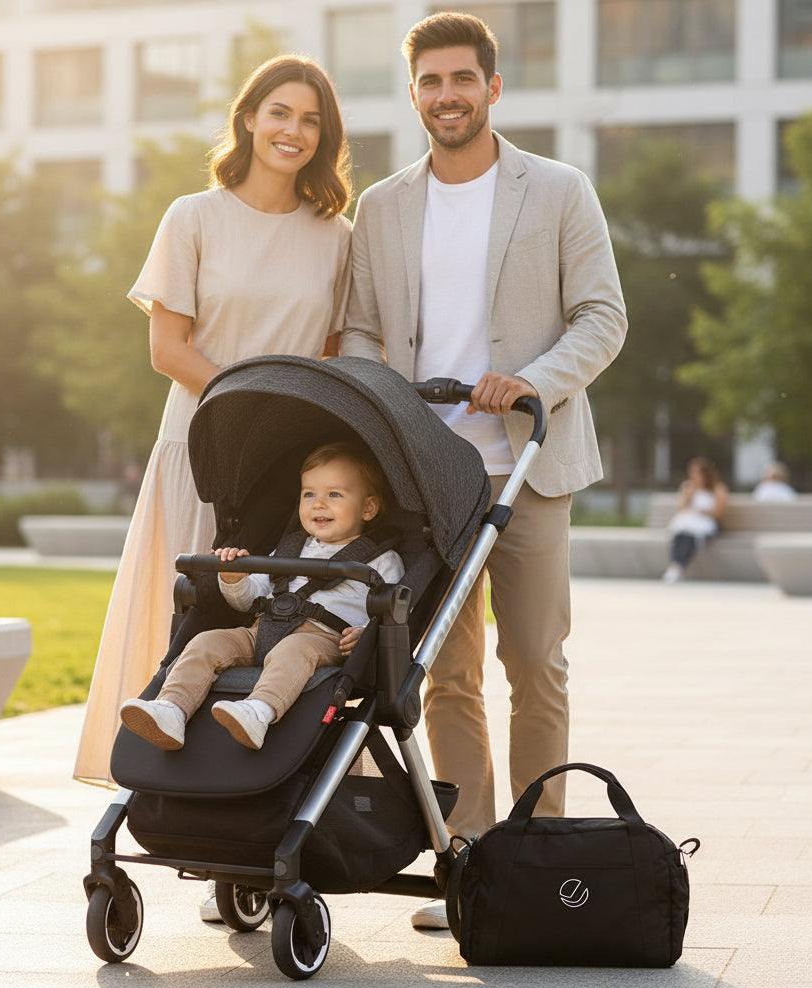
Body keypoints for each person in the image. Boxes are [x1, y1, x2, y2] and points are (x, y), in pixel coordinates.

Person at [340, 12, 627, 928]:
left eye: (462, 80)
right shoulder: (380, 207)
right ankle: (466, 862)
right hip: (432, 480)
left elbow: (602, 317)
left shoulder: (559, 190)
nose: (446, 96)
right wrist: (379, 406)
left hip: (529, 468)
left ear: (493, 88)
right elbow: (354, 330)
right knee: (447, 674)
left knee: (535, 663)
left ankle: (539, 860)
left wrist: (531, 383)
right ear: (414, 91)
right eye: (430, 82)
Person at [74, 55, 353, 917]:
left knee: (283, 634)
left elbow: (341, 351)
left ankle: (257, 825)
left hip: (296, 469)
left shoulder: (337, 236)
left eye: (309, 119)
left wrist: (296, 430)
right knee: (198, 623)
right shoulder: (193, 216)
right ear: (248, 119)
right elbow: (169, 348)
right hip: (204, 445)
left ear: (323, 137)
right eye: (278, 112)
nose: (292, 131)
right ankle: (186, 814)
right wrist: (247, 405)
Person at [119, 442, 403, 751]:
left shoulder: (381, 560)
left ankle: (259, 711)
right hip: (261, 631)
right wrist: (233, 578)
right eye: (309, 494)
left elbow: (391, 612)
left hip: (324, 639)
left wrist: (366, 636)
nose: (318, 503)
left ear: (368, 508)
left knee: (292, 651)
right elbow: (247, 600)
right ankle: (171, 709)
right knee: (206, 642)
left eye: (334, 494)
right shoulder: (288, 550)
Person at [662, 457, 729, 583]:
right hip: (688, 521)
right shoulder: (689, 487)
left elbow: (718, 512)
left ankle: (677, 566)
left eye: (698, 473)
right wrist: (689, 493)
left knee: (690, 537)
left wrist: (700, 511)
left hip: (705, 523)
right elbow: (682, 507)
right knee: (680, 535)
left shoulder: (717, 488)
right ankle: (676, 565)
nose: (695, 476)